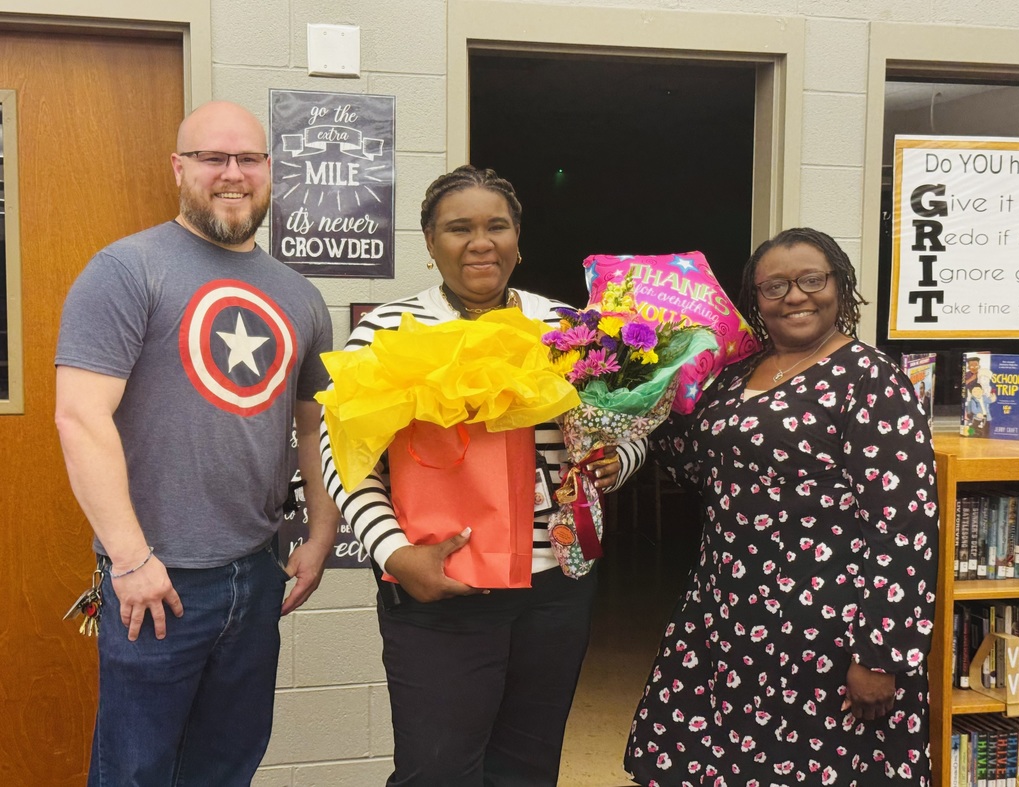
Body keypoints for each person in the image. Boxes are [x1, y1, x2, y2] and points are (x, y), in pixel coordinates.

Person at [320, 164, 646, 786]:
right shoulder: (388, 331)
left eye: (496, 226)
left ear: (518, 239)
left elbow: (623, 431)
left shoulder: (567, 329)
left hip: (554, 589)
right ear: (430, 241)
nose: (480, 242)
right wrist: (394, 553)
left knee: (526, 767)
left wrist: (617, 460)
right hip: (438, 585)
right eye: (458, 228)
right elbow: (344, 457)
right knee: (435, 770)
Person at [54, 100, 336, 786]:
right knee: (136, 772)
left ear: (270, 170)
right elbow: (79, 417)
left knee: (226, 767)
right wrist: (129, 558)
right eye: (213, 158)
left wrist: (322, 531)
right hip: (154, 583)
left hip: (257, 572)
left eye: (248, 159)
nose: (232, 174)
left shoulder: (300, 296)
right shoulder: (126, 270)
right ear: (180, 168)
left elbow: (313, 425)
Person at [625, 228, 938, 786]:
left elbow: (905, 529)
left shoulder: (872, 381)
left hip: (825, 633)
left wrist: (883, 655)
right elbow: (694, 461)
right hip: (725, 614)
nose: (795, 296)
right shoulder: (736, 375)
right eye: (775, 287)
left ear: (840, 286)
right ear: (756, 300)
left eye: (812, 280)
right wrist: (636, 389)